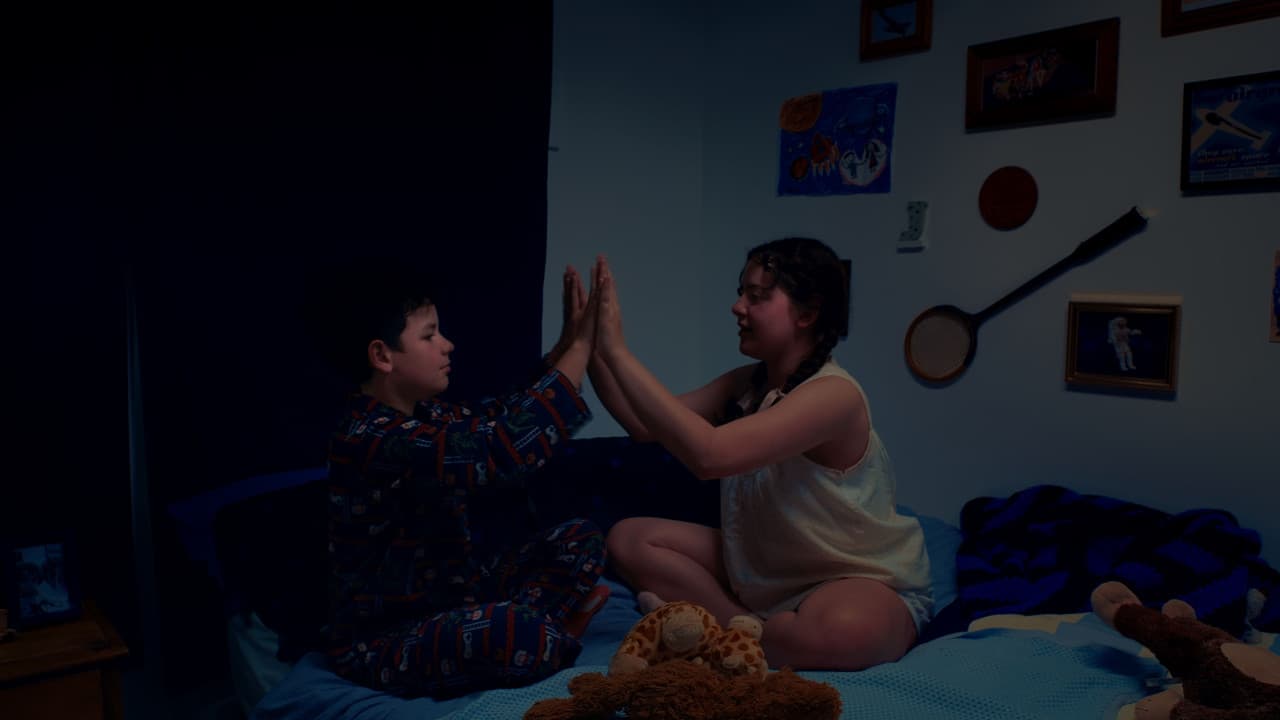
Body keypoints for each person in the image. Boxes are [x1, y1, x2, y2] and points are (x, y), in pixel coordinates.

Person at [590, 238, 932, 671]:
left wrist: (618, 351)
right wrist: (592, 348)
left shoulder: (835, 395)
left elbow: (710, 456)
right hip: (762, 569)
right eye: (741, 293)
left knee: (841, 632)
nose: (737, 307)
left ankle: (723, 629)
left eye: (756, 296)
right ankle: (744, 630)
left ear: (807, 314)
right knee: (629, 539)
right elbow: (643, 425)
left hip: (848, 577)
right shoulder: (747, 383)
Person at [312, 260, 610, 698]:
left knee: (580, 540)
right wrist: (583, 346)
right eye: (429, 335)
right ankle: (546, 637)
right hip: (384, 641)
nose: (447, 345)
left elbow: (501, 415)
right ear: (382, 356)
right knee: (516, 632)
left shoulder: (426, 414)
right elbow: (503, 451)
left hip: (455, 599)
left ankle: (542, 633)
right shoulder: (371, 436)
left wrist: (566, 346)